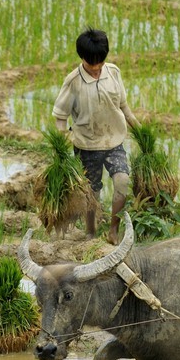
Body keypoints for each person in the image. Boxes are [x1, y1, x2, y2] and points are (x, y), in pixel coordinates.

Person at [52, 28, 140, 244]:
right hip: (86, 145)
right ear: (82, 57)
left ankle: (113, 231)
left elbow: (123, 106)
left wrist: (140, 130)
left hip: (114, 140)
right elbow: (60, 116)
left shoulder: (113, 72)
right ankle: (91, 233)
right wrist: (62, 142)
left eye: (100, 61)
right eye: (92, 63)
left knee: (122, 181)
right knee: (92, 193)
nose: (97, 67)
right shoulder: (73, 81)